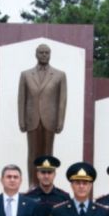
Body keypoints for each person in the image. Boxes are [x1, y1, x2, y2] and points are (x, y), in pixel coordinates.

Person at [17, 43, 68, 179]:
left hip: (50, 120)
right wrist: (21, 120)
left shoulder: (60, 75)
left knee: (48, 154)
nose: (44, 55)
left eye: (47, 53)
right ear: (36, 54)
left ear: (50, 55)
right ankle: (32, 185)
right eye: (41, 52)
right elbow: (22, 99)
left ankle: (46, 184)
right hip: (31, 120)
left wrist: (60, 121)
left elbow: (62, 100)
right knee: (32, 153)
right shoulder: (26, 75)